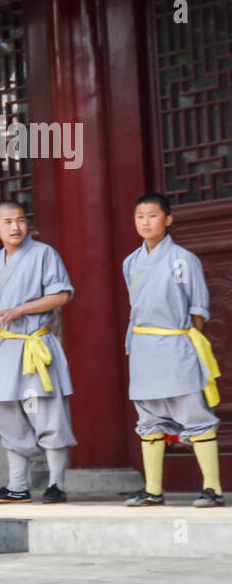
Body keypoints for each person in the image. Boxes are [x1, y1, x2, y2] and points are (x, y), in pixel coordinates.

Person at [0, 201, 77, 503]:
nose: (15, 227)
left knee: (46, 413)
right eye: (7, 222)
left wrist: (20, 309)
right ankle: (17, 485)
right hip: (6, 348)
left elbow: (61, 295)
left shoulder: (44, 254)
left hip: (35, 345)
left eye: (20, 220)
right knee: (10, 417)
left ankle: (56, 483)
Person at [123, 194, 223, 507]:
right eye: (140, 216)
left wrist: (191, 341)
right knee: (149, 418)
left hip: (176, 343)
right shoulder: (130, 262)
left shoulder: (183, 259)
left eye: (152, 215)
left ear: (168, 219)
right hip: (142, 347)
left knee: (192, 410)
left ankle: (213, 489)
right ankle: (153, 490)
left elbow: (197, 308)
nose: (145, 222)